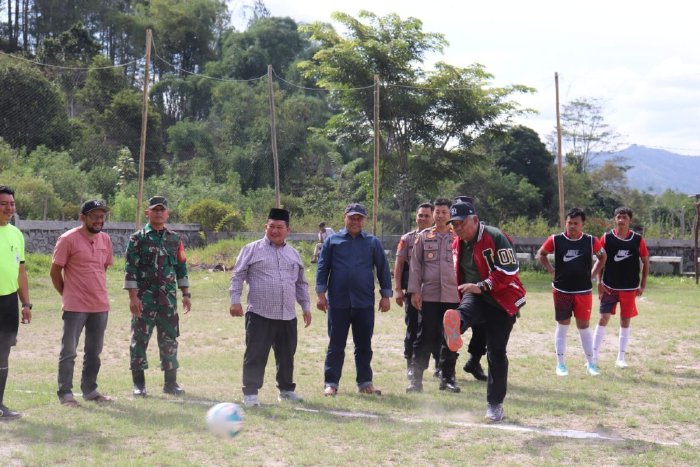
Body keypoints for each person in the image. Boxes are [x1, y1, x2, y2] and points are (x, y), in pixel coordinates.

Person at [442, 200, 526, 422]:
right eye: (454, 224)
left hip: (501, 299)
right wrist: (473, 289)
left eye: (461, 223)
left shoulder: (495, 236)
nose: (457, 228)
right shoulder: (456, 244)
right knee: (464, 310)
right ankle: (455, 327)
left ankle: (495, 405)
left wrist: (483, 285)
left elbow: (509, 270)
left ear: (475, 220)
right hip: (475, 294)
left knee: (496, 353)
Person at [229, 208, 312, 407]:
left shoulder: (293, 254)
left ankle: (286, 391)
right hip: (260, 313)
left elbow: (300, 283)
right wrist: (235, 300)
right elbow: (238, 275)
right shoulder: (252, 249)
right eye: (271, 227)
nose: (275, 231)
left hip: (287, 314)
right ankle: (250, 394)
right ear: (265, 227)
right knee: (256, 354)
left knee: (286, 355)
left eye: (279, 227)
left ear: (288, 230)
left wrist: (305, 306)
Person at [407, 198, 487, 393]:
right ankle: (416, 379)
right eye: (438, 212)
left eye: (445, 212)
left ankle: (447, 378)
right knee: (424, 336)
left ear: (450, 215)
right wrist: (414, 291)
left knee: (451, 337)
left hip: (454, 295)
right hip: (430, 295)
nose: (441, 215)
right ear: (433, 214)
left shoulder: (459, 238)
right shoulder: (424, 237)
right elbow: (416, 266)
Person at [316, 202, 392, 396]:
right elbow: (323, 268)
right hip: (338, 302)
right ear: (345, 218)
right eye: (352, 218)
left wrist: (386, 295)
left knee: (364, 345)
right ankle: (331, 383)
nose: (355, 221)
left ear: (364, 221)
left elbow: (383, 269)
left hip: (364, 302)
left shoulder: (372, 242)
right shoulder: (332, 241)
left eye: (359, 218)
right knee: (336, 345)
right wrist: (320, 295)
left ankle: (365, 382)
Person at [124, 196, 191, 397]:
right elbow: (130, 269)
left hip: (168, 301)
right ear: (148, 213)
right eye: (155, 210)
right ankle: (139, 385)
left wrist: (186, 293)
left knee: (169, 340)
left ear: (167, 214)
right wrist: (133, 298)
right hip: (144, 300)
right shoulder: (138, 238)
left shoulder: (174, 239)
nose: (159, 213)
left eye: (162, 210)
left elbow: (181, 267)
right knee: (139, 340)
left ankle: (170, 384)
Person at [50, 200, 114, 407]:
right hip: (75, 306)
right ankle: (66, 394)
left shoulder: (105, 239)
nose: (99, 220)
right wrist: (67, 293)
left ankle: (90, 390)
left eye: (102, 216)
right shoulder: (67, 239)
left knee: (94, 352)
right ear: (83, 218)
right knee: (69, 351)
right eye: (94, 216)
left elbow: (102, 269)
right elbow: (55, 271)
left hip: (100, 305)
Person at [537, 207, 606, 377]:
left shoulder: (591, 240)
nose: (572, 226)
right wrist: (551, 271)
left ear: (583, 224)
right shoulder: (556, 239)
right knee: (563, 326)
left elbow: (603, 256)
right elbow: (541, 254)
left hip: (583, 291)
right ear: (565, 223)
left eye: (576, 223)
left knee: (584, 326)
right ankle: (560, 364)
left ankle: (591, 364)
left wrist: (593, 273)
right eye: (569, 223)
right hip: (561, 290)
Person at [592, 207, 649, 368]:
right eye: (618, 217)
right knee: (603, 318)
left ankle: (621, 358)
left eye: (624, 217)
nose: (621, 220)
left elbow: (645, 262)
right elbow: (599, 260)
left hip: (629, 287)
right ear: (614, 219)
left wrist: (642, 285)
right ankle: (593, 356)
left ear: (630, 220)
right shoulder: (606, 238)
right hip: (609, 286)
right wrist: (599, 282)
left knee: (625, 320)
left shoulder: (637, 240)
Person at [0, 186, 31, 421]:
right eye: (4, 203)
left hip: (8, 302)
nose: (9, 208)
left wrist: (26, 304)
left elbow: (21, 272)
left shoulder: (16, 234)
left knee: (3, 353)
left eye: (12, 203)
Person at [393, 203, 434, 380]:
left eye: (426, 215)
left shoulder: (441, 237)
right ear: (415, 217)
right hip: (413, 289)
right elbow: (399, 265)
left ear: (433, 217)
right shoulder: (407, 238)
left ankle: (440, 366)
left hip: (435, 291)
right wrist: (397, 290)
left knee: (435, 328)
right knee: (413, 326)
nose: (423, 218)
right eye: (420, 215)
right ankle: (411, 364)